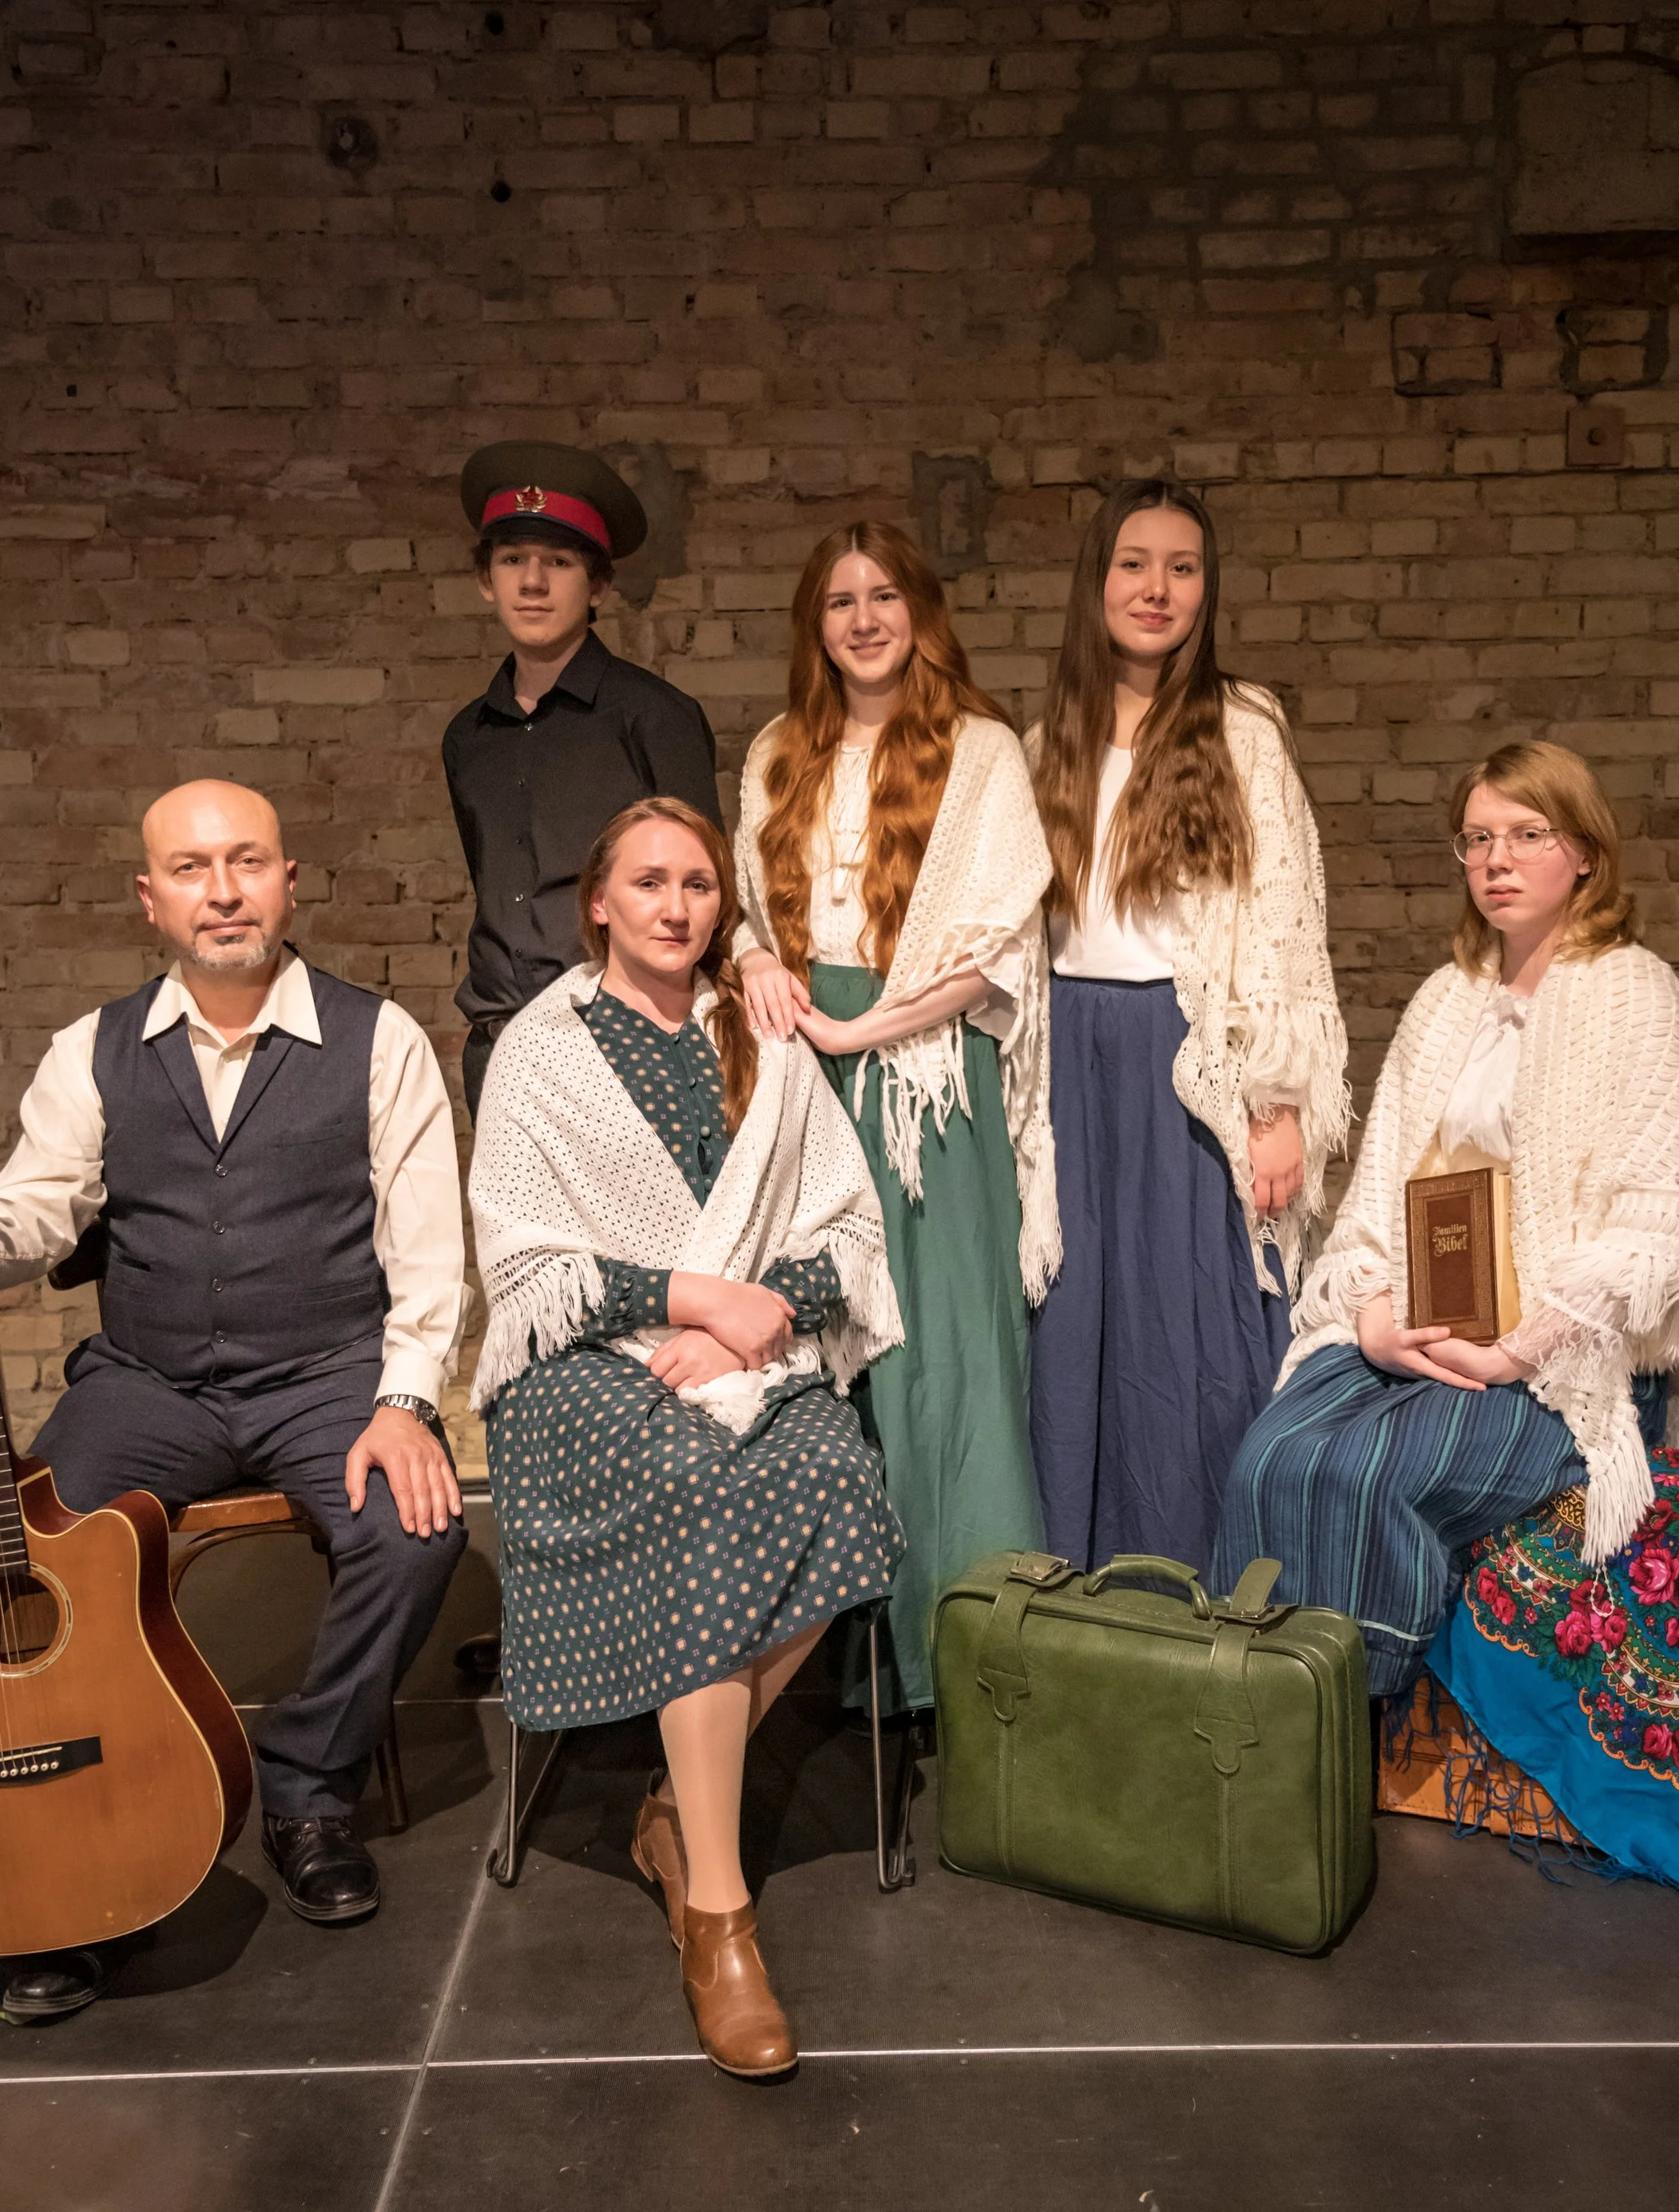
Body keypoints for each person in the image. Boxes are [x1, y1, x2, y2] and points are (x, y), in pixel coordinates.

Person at [0, 780, 469, 2020]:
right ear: (151, 899)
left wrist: (406, 1401)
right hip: (149, 1382)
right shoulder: (92, 1050)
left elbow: (430, 1253)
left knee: (418, 1529)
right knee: (24, 1559)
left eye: (246, 861)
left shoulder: (382, 1039)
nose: (223, 890)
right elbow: (41, 1204)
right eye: (194, 869)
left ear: (289, 879)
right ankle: (70, 1842)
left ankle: (308, 1781)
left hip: (325, 1376)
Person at [469, 798, 903, 2079]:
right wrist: (689, 1298)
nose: (677, 905)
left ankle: (671, 1815)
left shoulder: (757, 1034)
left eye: (700, 885)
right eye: (649, 882)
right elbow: (526, 1261)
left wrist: (749, 1329)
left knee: (837, 1471)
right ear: (598, 900)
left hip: (744, 1353)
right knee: (698, 1484)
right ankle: (720, 1910)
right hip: (583, 1374)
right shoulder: (541, 1051)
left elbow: (848, 1230)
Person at [1209, 740, 1679, 1695]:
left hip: (1560, 1362)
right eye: (1476, 839)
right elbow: (1377, 1198)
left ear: (1583, 851)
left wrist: (1515, 1351)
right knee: (1270, 1457)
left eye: (1525, 834)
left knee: (1369, 1476)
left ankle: (1343, 1717)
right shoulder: (1443, 1001)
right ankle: (1245, 1720)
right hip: (1420, 1331)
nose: (1495, 860)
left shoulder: (1637, 995)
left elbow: (1662, 1231)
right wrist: (1372, 1320)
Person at [733, 521, 1058, 1712]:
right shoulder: (779, 751)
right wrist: (758, 966)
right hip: (801, 1073)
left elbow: (1000, 947)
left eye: (883, 596)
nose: (863, 618)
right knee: (828, 1365)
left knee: (945, 1362)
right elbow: (743, 914)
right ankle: (840, 1671)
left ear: (920, 610)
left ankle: (970, 1671)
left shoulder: (980, 752)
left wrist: (865, 1030)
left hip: (925, 1080)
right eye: (837, 601)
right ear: (813, 625)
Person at [1025, 479, 1349, 1575]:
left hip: (1183, 1058)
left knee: (1193, 1331)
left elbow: (1286, 925)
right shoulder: (1044, 738)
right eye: (1133, 562)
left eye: (1182, 566)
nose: (1156, 587)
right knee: (1074, 1331)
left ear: (1207, 590)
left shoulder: (1240, 728)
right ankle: (1080, 1602)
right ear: (1096, 579)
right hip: (1067, 1056)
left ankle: (1215, 1599)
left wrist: (1280, 1103)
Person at [442, 441, 721, 1121]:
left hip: (620, 1041)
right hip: (500, 1042)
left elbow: (708, 889)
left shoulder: (656, 718)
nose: (532, 583)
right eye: (512, 561)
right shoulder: (468, 737)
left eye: (558, 563)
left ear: (597, 586)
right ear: (486, 580)